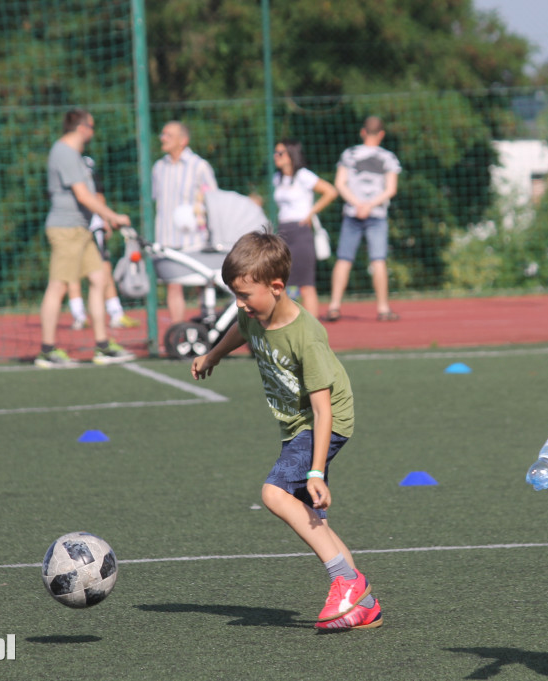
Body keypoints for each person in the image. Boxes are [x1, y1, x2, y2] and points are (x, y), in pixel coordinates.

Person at [190, 231, 382, 631]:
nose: (240, 305)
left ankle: (346, 581)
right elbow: (241, 330)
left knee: (274, 493)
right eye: (235, 296)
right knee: (315, 521)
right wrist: (213, 355)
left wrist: (315, 471)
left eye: (245, 295)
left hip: (321, 423)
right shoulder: (253, 314)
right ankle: (364, 604)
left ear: (276, 287)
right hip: (297, 426)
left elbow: (323, 410)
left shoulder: (305, 335)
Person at [36, 108, 135, 368]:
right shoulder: (64, 153)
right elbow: (83, 195)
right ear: (82, 128)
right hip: (66, 230)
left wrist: (101, 219)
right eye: (91, 126)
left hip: (82, 229)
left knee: (99, 278)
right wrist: (112, 216)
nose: (93, 131)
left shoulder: (75, 155)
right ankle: (47, 350)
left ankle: (103, 346)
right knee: (59, 286)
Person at [325, 116, 401, 323]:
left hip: (352, 213)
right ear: (382, 134)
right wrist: (369, 205)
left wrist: (357, 204)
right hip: (376, 215)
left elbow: (340, 183)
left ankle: (334, 306)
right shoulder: (389, 158)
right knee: (378, 260)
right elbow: (391, 189)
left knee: (343, 259)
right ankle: (383, 309)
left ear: (363, 132)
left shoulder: (349, 154)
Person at [151, 120, 218, 325]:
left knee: (203, 281)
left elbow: (213, 200)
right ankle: (178, 331)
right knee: (173, 284)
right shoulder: (159, 167)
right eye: (162, 134)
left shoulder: (199, 166)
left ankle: (209, 323)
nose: (163, 138)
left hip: (194, 237)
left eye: (168, 135)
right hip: (166, 236)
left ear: (183, 140)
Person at [68, 156, 139, 331]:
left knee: (103, 269)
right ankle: (79, 315)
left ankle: (115, 312)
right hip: (71, 226)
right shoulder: (66, 161)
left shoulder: (87, 163)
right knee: (71, 271)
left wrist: (104, 219)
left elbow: (98, 194)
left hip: (93, 225)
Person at [272, 139, 338, 317]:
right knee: (283, 282)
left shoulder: (303, 176)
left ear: (291, 154)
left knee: (306, 284)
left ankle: (312, 330)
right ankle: (287, 324)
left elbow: (330, 191)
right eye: (275, 153)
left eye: (280, 153)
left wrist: (310, 213)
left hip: (300, 232)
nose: (275, 156)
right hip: (283, 231)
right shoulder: (277, 178)